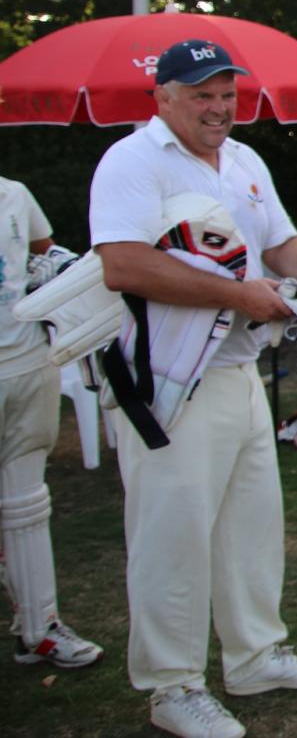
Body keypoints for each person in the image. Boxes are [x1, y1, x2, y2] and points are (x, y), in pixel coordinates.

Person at [90, 38, 297, 738]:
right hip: (166, 383)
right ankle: (172, 687)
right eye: (201, 93)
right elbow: (123, 265)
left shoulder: (244, 159)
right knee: (173, 535)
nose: (219, 106)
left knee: (252, 525)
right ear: (162, 97)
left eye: (227, 92)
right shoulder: (132, 161)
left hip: (237, 371)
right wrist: (241, 294)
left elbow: (280, 250)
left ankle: (254, 655)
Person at [1, 176, 104, 668]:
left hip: (26, 364)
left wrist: (67, 269)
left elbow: (44, 252)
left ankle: (39, 628)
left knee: (27, 505)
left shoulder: (15, 193)